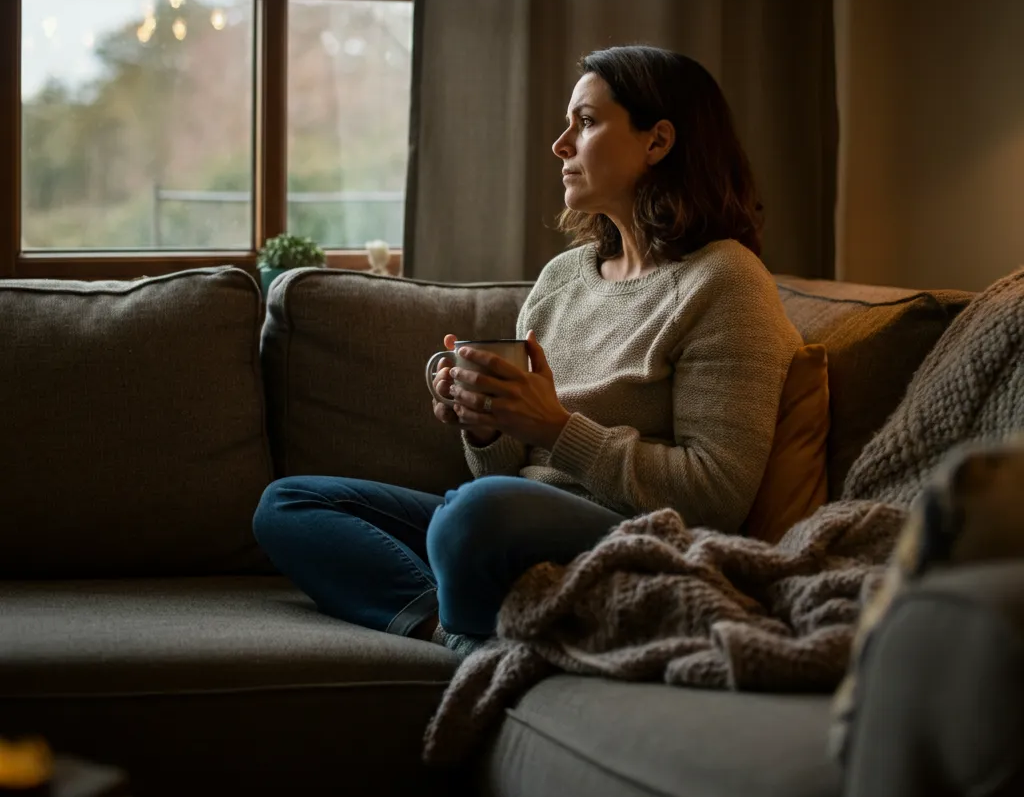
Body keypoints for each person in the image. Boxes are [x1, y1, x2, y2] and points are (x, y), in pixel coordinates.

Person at [253, 45, 803, 653]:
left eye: (587, 122)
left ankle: (467, 614)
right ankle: (452, 631)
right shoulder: (563, 278)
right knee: (288, 504)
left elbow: (715, 495)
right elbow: (500, 471)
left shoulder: (725, 281)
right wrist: (486, 424)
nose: (560, 144)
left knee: (475, 513)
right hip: (509, 514)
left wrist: (554, 427)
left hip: (634, 535)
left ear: (658, 142)